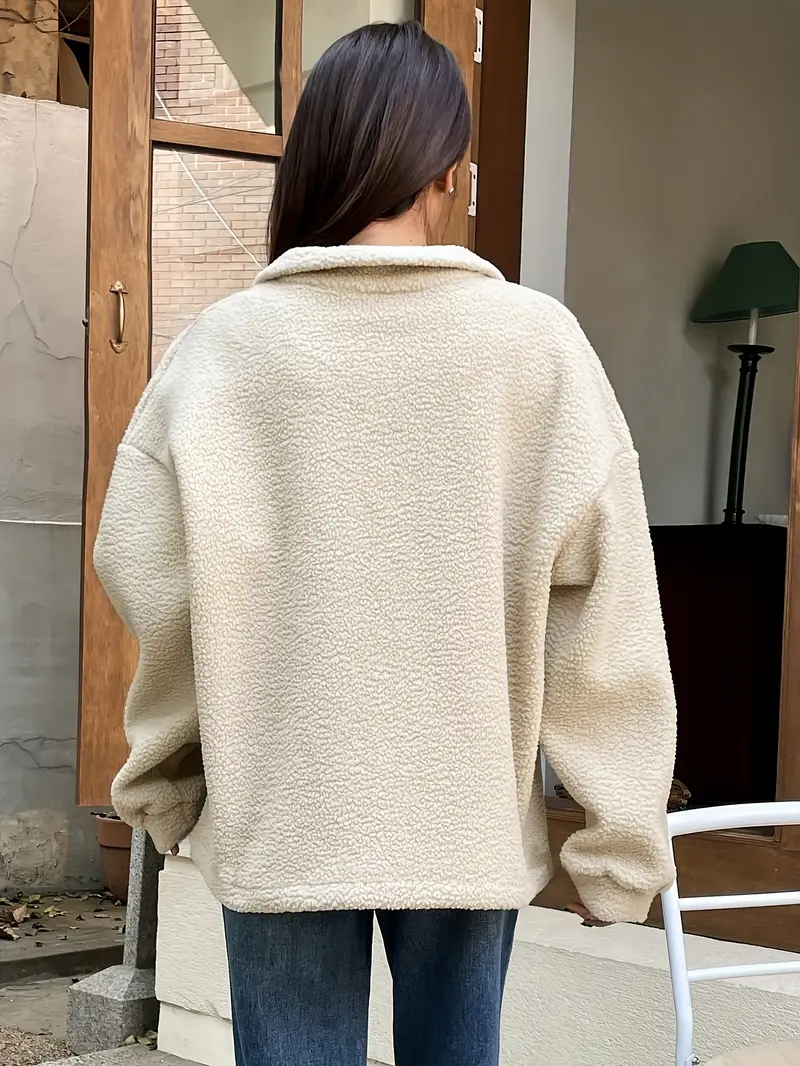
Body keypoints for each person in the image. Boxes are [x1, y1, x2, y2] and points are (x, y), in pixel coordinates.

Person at [94, 20, 676, 1066]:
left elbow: (152, 580)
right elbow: (605, 611)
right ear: (446, 170)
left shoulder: (220, 353)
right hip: (464, 824)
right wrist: (616, 843)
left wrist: (166, 783)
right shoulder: (536, 348)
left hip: (284, 812)